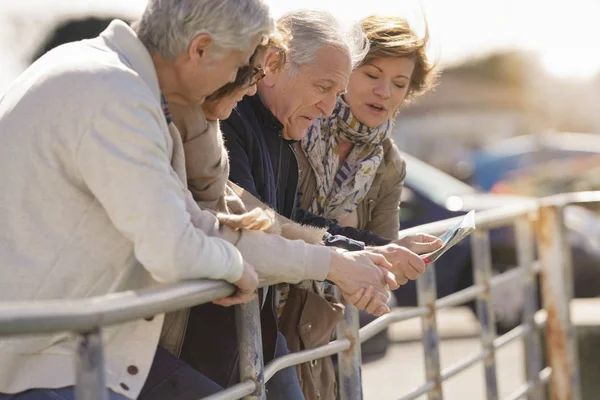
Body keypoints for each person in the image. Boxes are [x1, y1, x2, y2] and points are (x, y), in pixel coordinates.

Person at [0, 1, 275, 399]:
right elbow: (172, 249)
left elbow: (181, 213)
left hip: (45, 351)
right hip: (48, 367)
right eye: (237, 64)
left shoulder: (89, 67)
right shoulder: (117, 95)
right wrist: (235, 266)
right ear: (199, 49)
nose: (236, 78)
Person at [158, 21, 399, 400]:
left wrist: (367, 253)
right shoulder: (228, 116)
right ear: (273, 64)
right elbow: (249, 228)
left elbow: (290, 221)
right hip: (198, 347)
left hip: (255, 340)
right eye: (323, 88)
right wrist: (344, 265)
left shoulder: (281, 131)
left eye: (338, 93)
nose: (329, 107)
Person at [297, 14, 440, 268]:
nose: (384, 92)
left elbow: (383, 250)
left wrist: (401, 257)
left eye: (399, 83)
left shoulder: (390, 164)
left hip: (332, 302)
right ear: (345, 71)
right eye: (372, 75)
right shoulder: (298, 122)